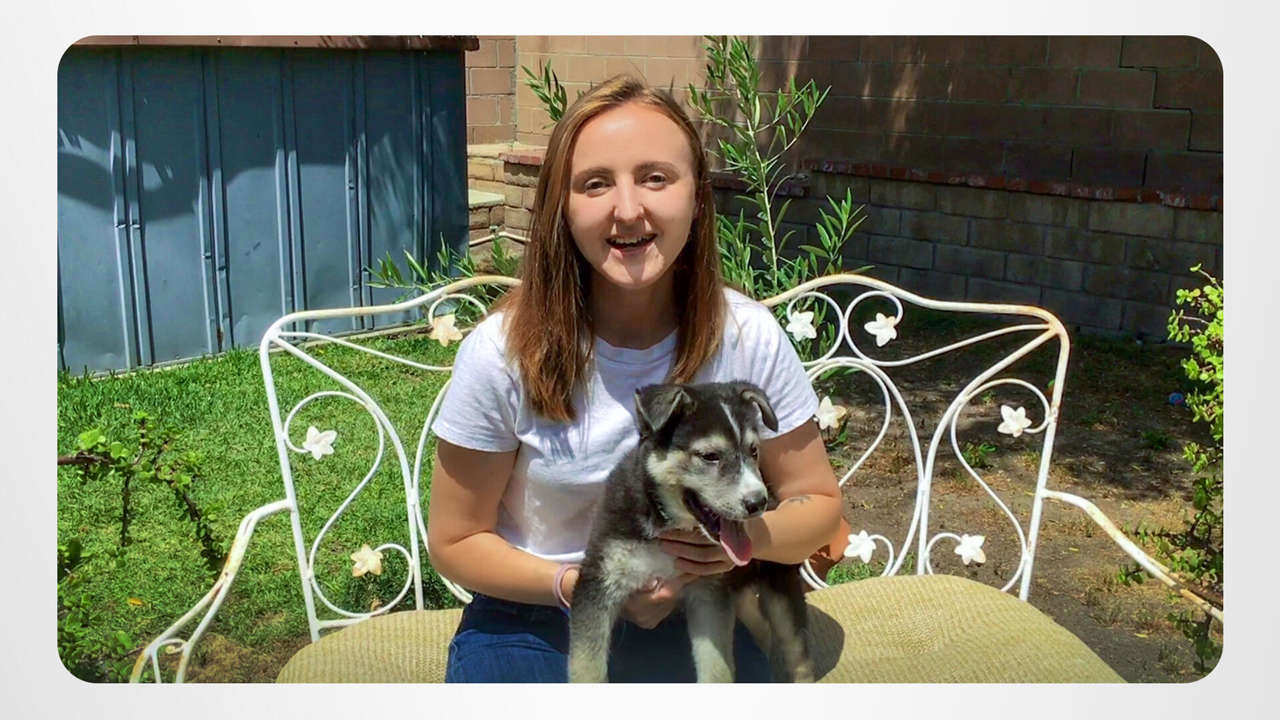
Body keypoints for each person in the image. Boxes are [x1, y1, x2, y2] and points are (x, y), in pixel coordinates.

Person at [426, 75, 841, 683]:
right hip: (537, 612)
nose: (627, 209)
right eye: (595, 184)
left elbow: (819, 504)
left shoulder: (746, 335)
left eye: (655, 177)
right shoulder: (503, 352)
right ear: (562, 208)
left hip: (701, 606)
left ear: (697, 196)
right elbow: (455, 540)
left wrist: (737, 541)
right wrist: (582, 584)